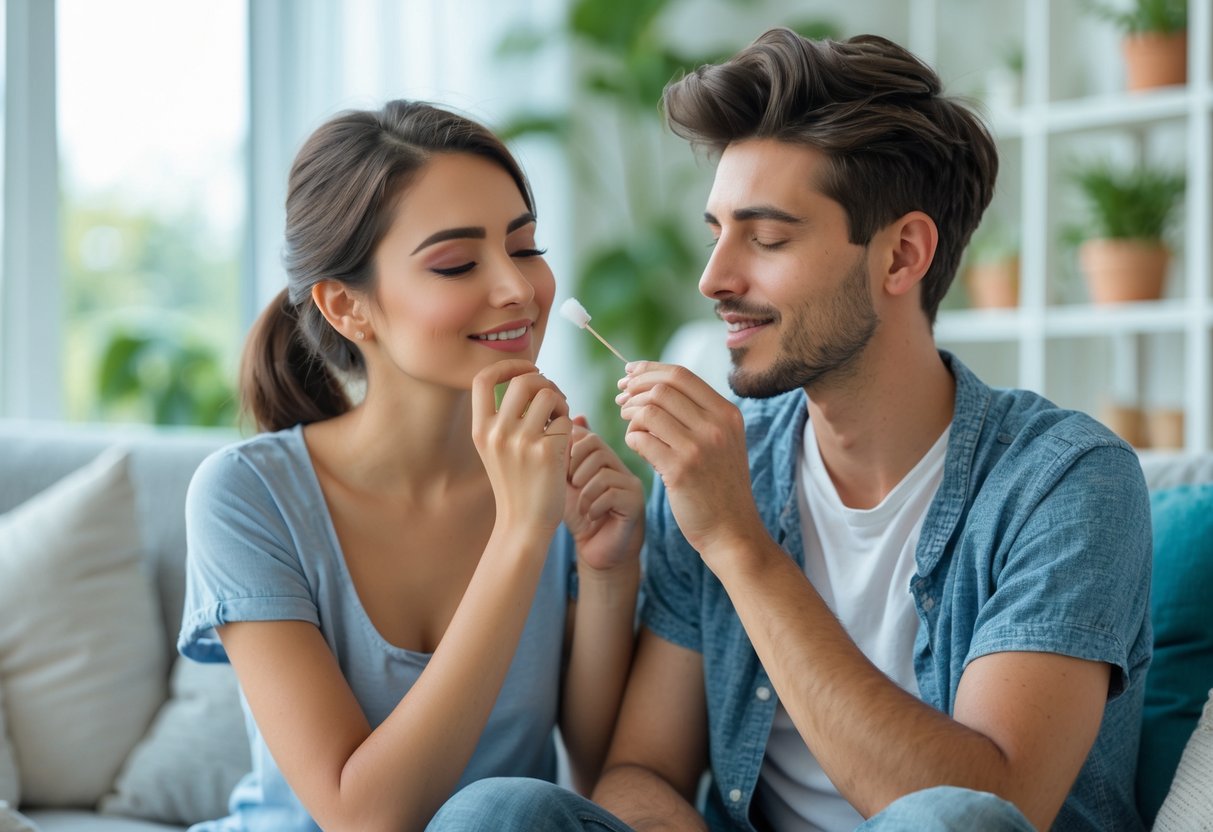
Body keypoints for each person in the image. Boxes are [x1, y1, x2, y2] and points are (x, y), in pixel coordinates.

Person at [430, 28, 1152, 832]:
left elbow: (994, 806)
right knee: (497, 812)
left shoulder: (1067, 482)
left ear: (900, 255)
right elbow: (643, 771)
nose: (714, 279)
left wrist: (739, 543)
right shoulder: (724, 463)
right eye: (716, 232)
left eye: (767, 238)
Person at [177, 99, 644, 832]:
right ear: (347, 308)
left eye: (525, 248)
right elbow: (363, 819)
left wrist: (608, 572)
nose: (516, 288)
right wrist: (520, 535)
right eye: (457, 262)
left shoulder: (558, 475)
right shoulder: (246, 497)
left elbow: (590, 797)